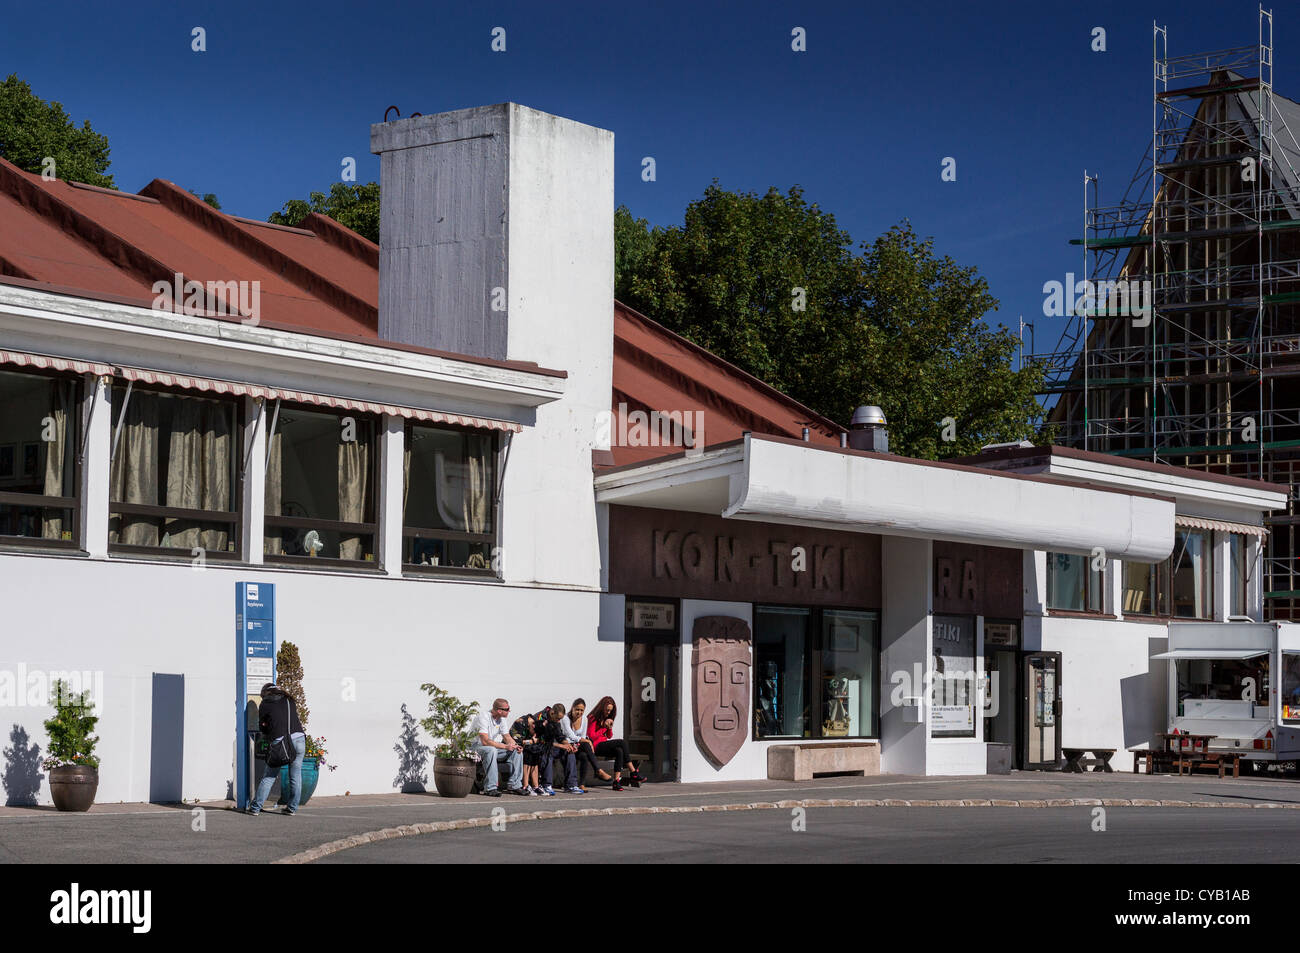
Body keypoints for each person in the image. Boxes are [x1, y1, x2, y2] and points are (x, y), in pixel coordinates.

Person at [246, 683, 306, 816]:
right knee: (295, 776)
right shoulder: (289, 699)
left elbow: (263, 727)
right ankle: (292, 808)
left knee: (269, 776)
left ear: (265, 693)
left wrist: (267, 732)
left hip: (281, 743)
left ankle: (255, 808)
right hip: (300, 739)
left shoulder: (265, 704)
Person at [470, 698, 526, 796]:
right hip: (475, 748)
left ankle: (514, 785)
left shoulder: (502, 719)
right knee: (491, 750)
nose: (509, 711)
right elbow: (485, 741)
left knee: (516, 752)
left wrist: (515, 745)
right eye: (507, 709)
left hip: (490, 748)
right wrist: (505, 746)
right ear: (500, 711)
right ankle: (490, 788)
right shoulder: (483, 717)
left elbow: (507, 736)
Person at [586, 695, 643, 791]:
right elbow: (591, 736)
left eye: (610, 711)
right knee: (621, 742)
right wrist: (603, 726)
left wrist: (609, 728)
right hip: (595, 746)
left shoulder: (606, 718)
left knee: (619, 751)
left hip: (603, 745)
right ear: (602, 707)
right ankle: (633, 771)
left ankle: (616, 781)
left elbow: (609, 736)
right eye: (607, 710)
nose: (608, 713)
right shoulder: (593, 718)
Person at [564, 697, 609, 791]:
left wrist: (585, 741)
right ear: (572, 708)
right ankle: (598, 770)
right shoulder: (565, 718)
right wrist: (587, 741)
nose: (579, 712)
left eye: (581, 710)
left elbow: (583, 736)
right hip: (566, 745)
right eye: (577, 709)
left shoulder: (584, 719)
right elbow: (570, 736)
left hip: (577, 745)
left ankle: (582, 784)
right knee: (587, 744)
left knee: (584, 755)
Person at [538, 703, 583, 795]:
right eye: (558, 718)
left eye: (560, 719)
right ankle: (546, 785)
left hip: (552, 746)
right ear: (552, 713)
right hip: (539, 748)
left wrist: (568, 745)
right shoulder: (540, 718)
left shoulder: (556, 721)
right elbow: (542, 741)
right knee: (548, 753)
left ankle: (571, 785)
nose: (559, 721)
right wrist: (562, 746)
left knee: (569, 752)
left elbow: (560, 736)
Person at [510, 710, 548, 796]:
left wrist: (534, 741)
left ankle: (535, 786)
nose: (535, 735)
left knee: (535, 752)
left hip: (524, 747)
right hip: (512, 747)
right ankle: (525, 785)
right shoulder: (520, 723)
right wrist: (530, 741)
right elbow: (515, 742)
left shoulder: (536, 722)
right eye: (535, 733)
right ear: (532, 726)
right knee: (527, 753)